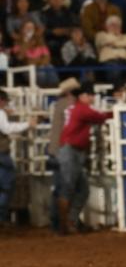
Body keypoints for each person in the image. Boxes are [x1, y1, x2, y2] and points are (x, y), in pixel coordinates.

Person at [56, 82, 112, 233]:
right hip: (71, 150)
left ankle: (69, 222)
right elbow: (101, 117)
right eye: (91, 95)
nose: (93, 97)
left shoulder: (76, 108)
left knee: (80, 189)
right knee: (71, 187)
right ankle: (65, 224)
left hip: (72, 149)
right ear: (83, 96)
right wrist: (117, 112)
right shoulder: (82, 109)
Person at [0, 90, 36, 228]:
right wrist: (28, 124)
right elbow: (7, 129)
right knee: (7, 184)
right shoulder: (0, 113)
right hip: (1, 152)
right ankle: (1, 217)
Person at [47, 77, 78, 232]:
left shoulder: (59, 104)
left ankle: (56, 221)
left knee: (58, 187)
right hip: (63, 149)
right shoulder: (70, 104)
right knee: (66, 187)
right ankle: (64, 222)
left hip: (54, 149)